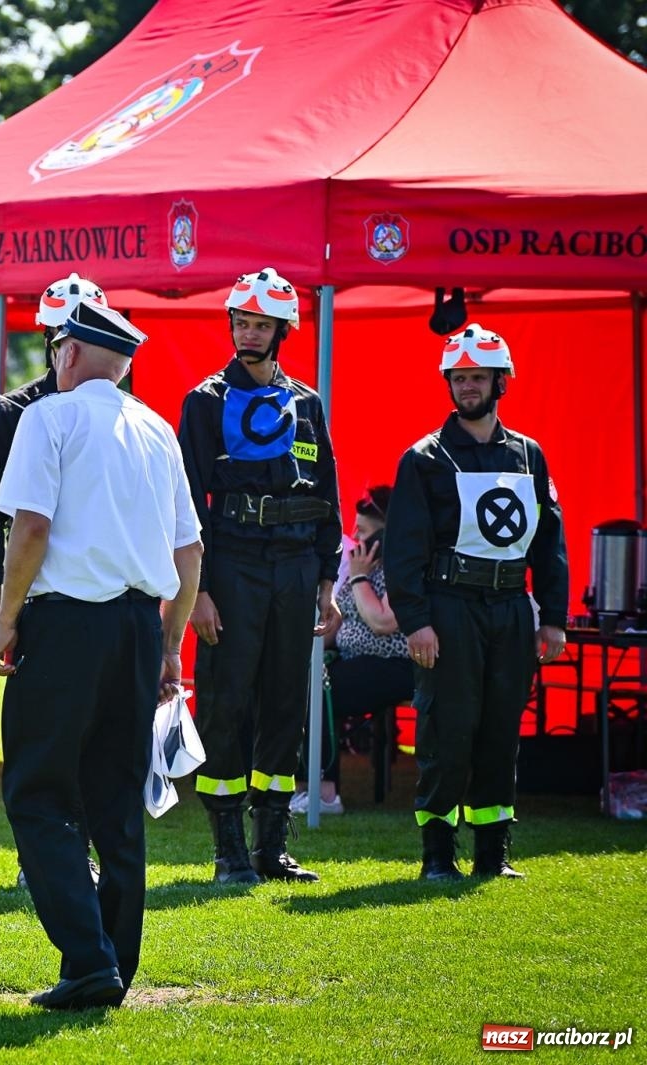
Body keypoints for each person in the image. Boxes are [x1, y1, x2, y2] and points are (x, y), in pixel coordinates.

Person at [0, 300, 202, 1010]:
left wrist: (5, 620)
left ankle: (87, 957)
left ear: (68, 353)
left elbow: (32, 528)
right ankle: (112, 962)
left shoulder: (46, 416)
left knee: (38, 794)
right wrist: (169, 646)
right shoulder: (157, 427)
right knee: (116, 803)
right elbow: (190, 550)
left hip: (67, 623)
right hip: (139, 626)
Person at [385, 324, 567, 880]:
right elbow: (403, 550)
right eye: (459, 378)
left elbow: (549, 543)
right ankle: (438, 856)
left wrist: (553, 619)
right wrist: (416, 622)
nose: (468, 387)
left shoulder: (528, 455)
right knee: (446, 729)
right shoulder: (425, 458)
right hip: (449, 608)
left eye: (478, 377)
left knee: (499, 729)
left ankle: (493, 853)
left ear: (500, 382)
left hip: (511, 608)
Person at [179, 267, 341, 885]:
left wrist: (327, 580)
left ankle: (272, 847)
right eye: (241, 323)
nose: (249, 334)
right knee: (227, 703)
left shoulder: (306, 404)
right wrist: (199, 593)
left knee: (284, 704)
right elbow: (188, 504)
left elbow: (327, 490)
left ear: (283, 330)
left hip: (297, 568)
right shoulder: (205, 402)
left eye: (261, 324)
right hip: (233, 567)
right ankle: (228, 852)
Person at [0, 272, 108, 890]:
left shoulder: (119, 413)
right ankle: (41, 860)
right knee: (41, 741)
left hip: (101, 600)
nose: (66, 346)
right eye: (59, 336)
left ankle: (83, 851)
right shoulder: (11, 413)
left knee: (95, 738)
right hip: (37, 604)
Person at [292, 487, 413, 814]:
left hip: (395, 665)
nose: (355, 538)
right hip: (353, 661)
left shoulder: (405, 566)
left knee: (319, 690)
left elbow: (383, 621)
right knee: (297, 678)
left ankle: (325, 794)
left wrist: (359, 578)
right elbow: (336, 626)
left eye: (364, 531)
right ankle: (303, 786)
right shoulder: (363, 565)